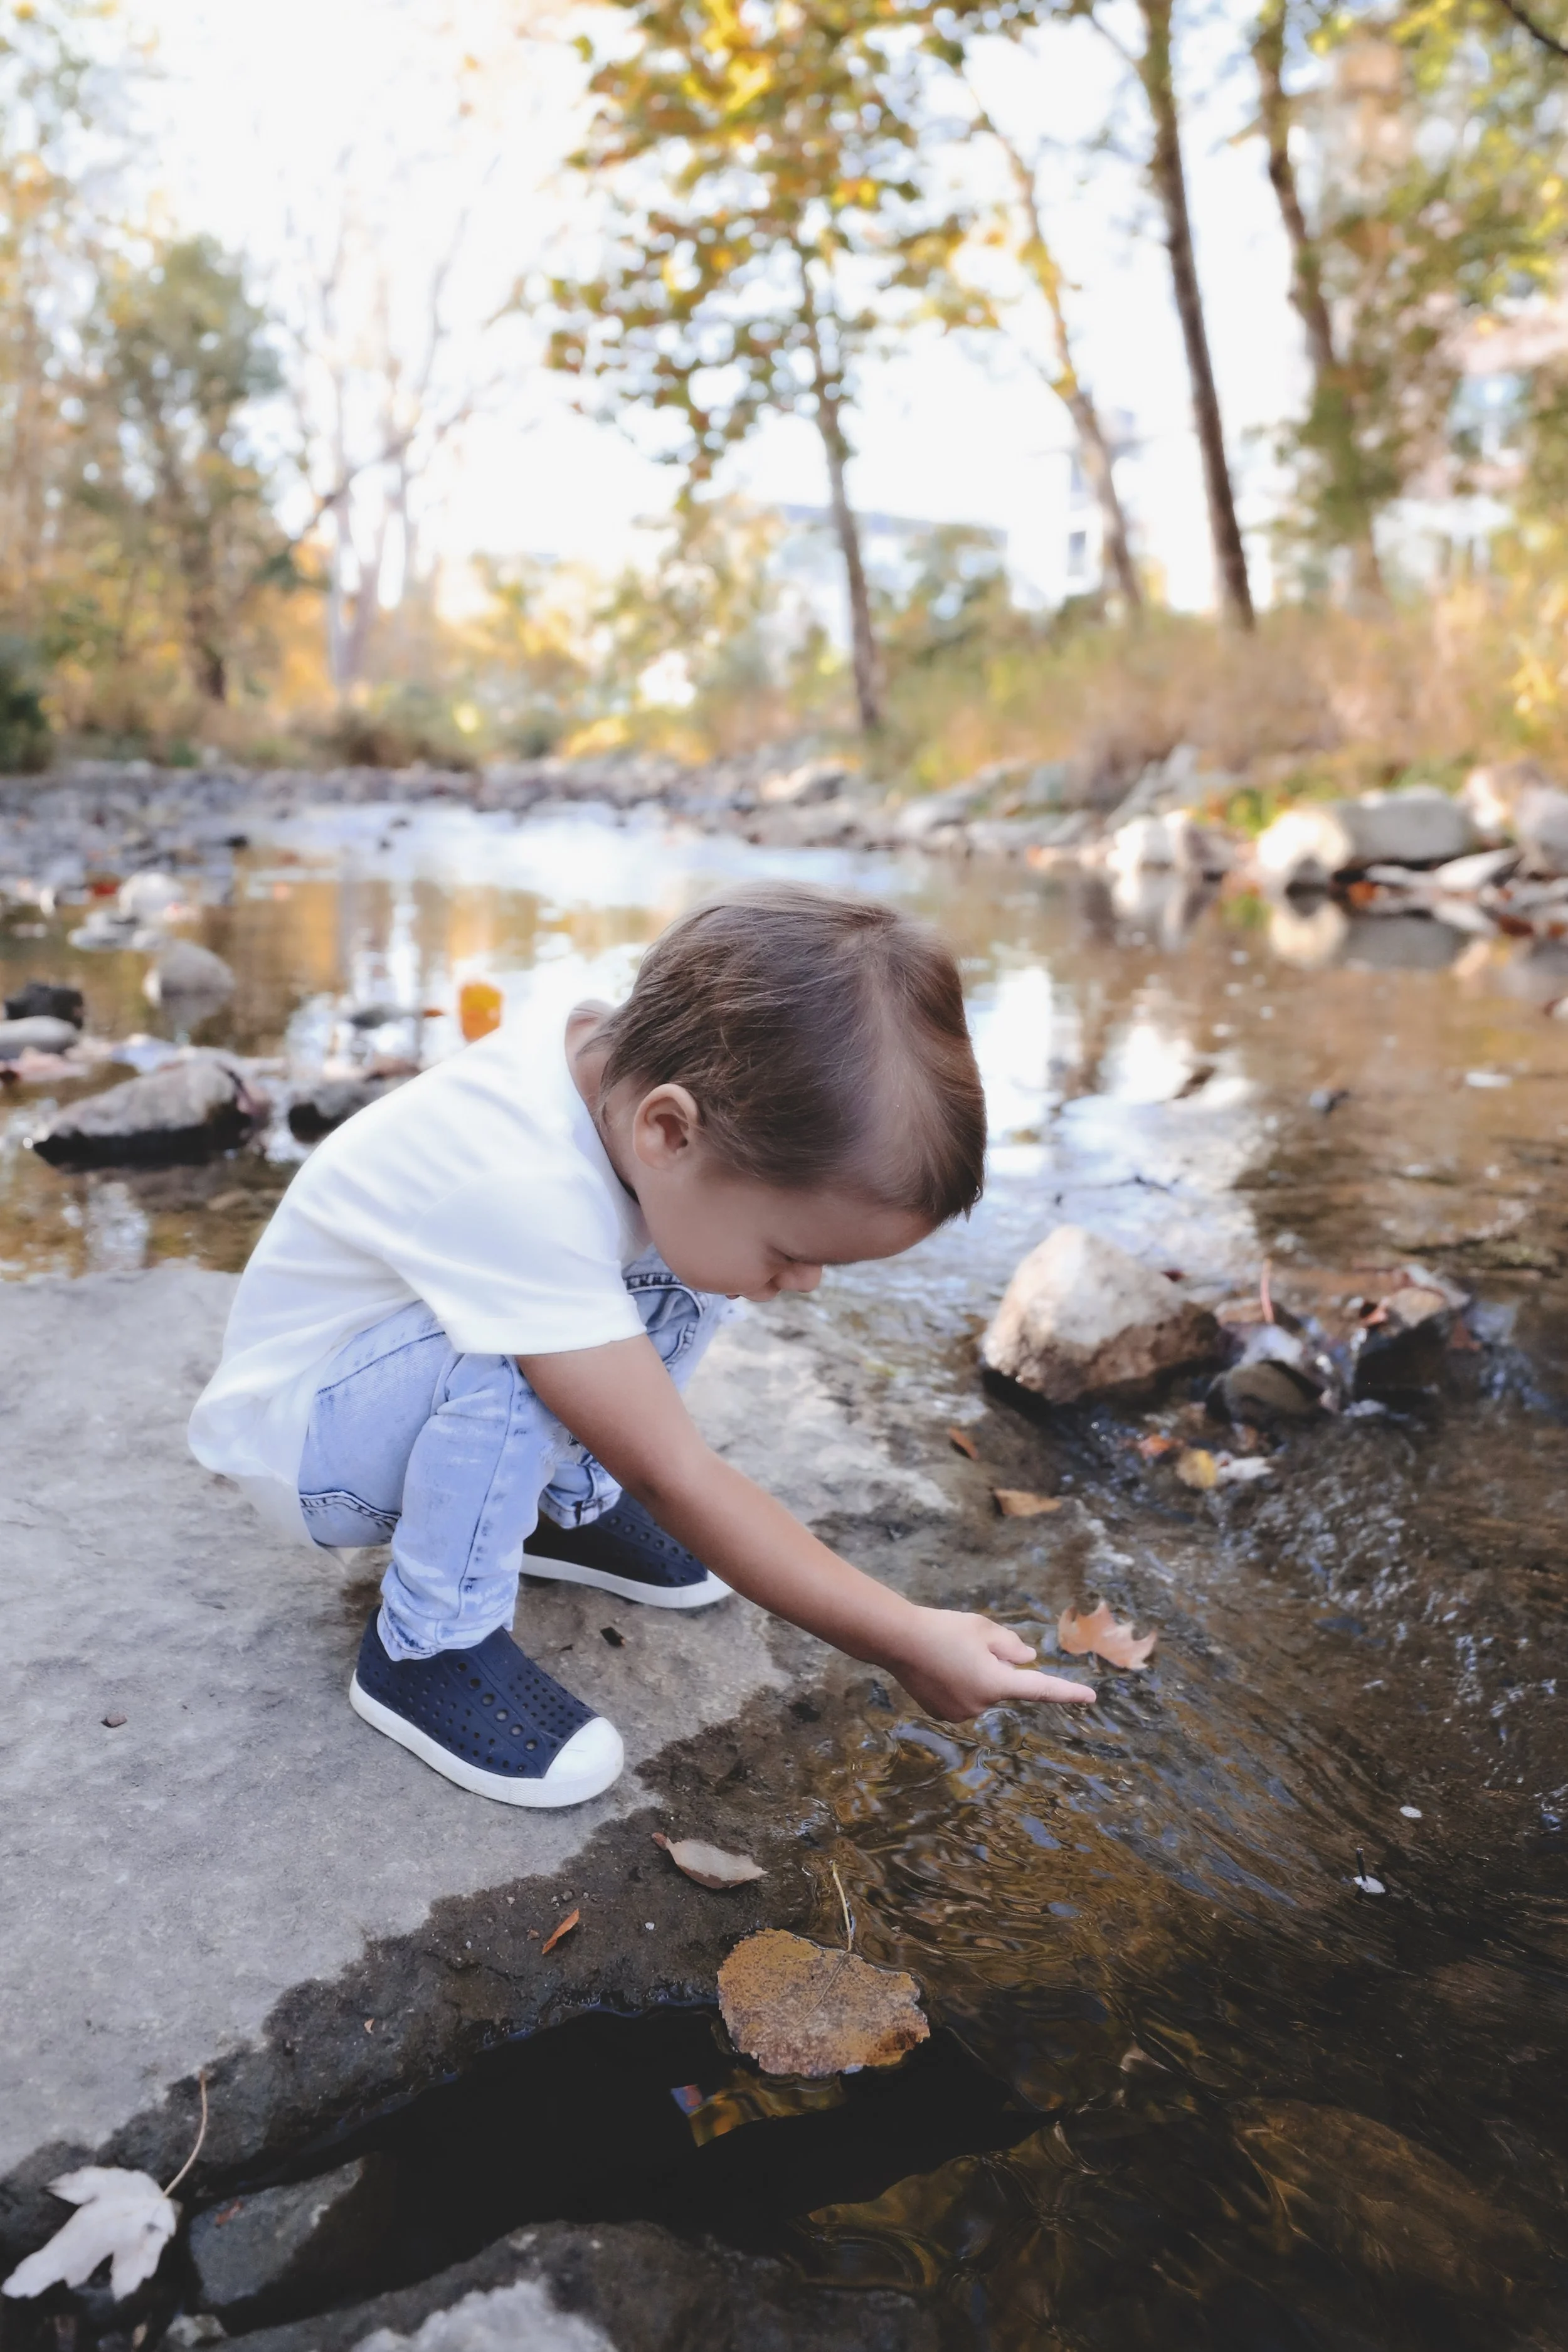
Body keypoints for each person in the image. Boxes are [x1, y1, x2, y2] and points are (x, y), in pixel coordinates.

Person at [189, 882, 1095, 1808]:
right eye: (795, 1251)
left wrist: (754, 1257)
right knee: (518, 1355)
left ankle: (556, 1506)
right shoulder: (522, 1188)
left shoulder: (620, 1065)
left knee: (697, 1262)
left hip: (391, 1385)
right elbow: (678, 1474)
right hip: (308, 1443)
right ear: (667, 1126)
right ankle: (427, 1645)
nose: (807, 1281)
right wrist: (900, 1633)